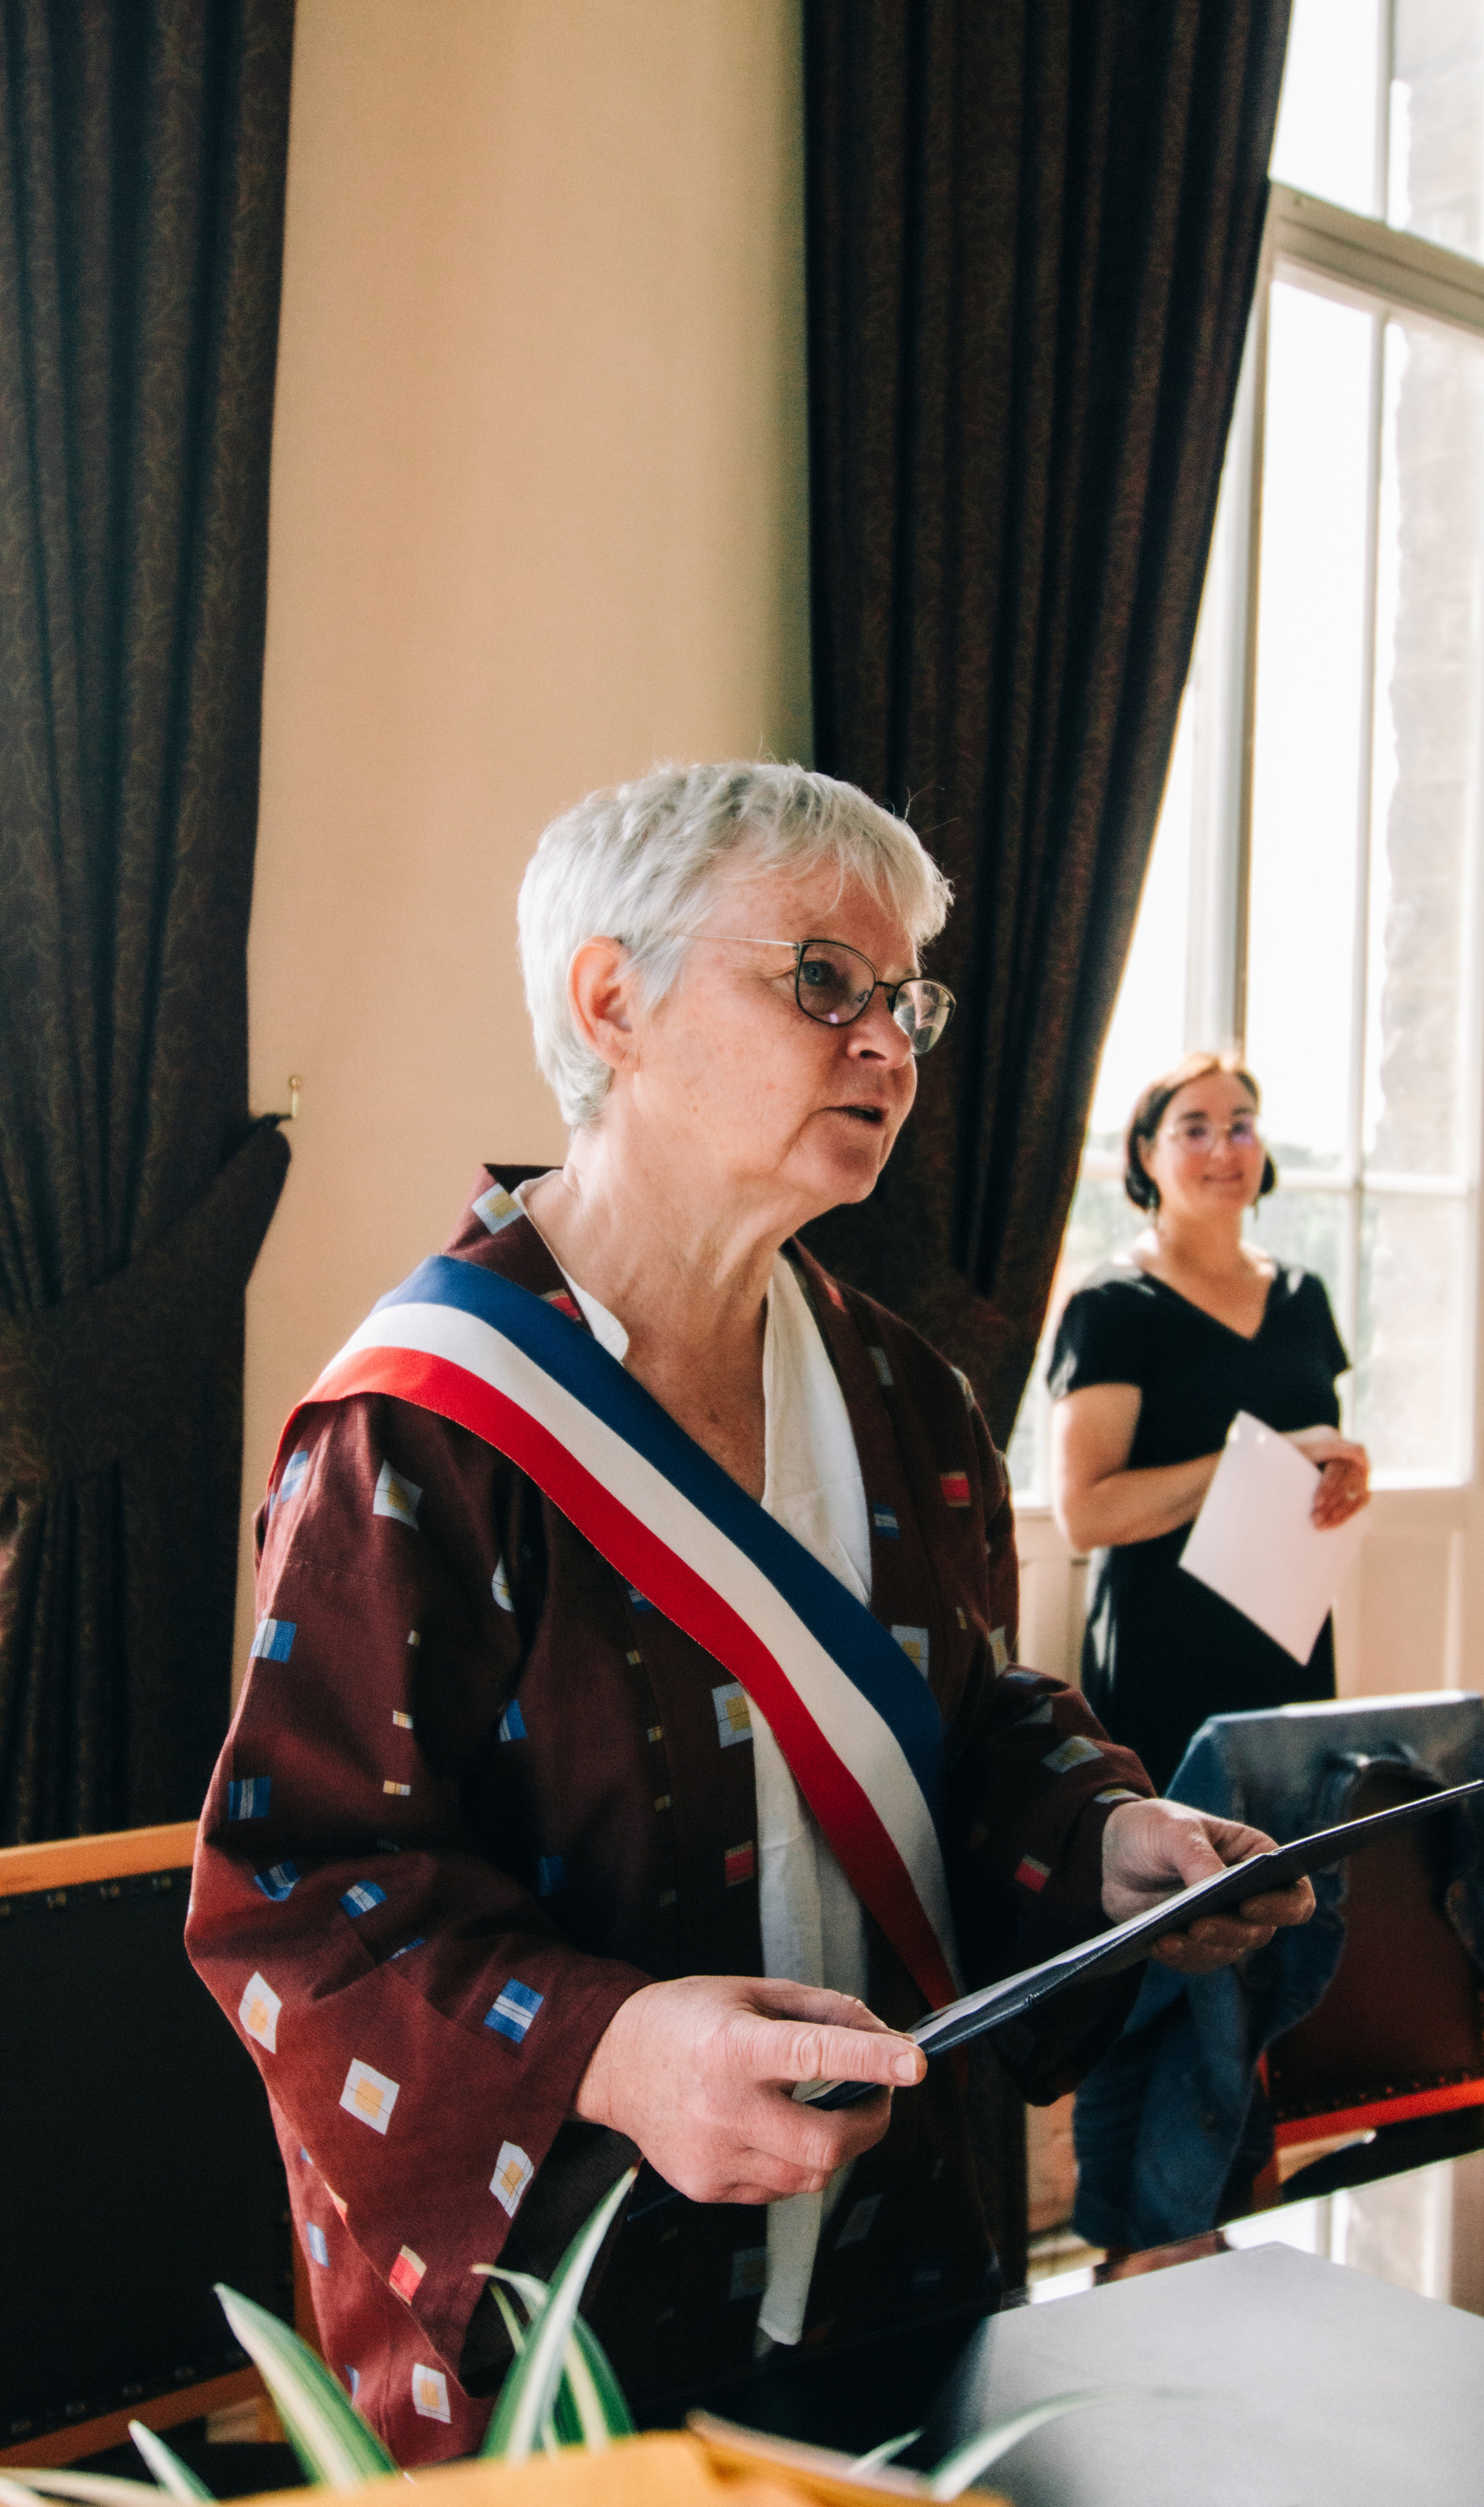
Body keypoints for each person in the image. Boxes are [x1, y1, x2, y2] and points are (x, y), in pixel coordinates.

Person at [186, 766, 1313, 2462]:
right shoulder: (415, 1429)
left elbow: (965, 1717)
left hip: (907, 2269)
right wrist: (614, 2049)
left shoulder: (904, 1394)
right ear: (611, 999)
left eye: (903, 1001)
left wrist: (1105, 1839)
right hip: (575, 2334)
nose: (890, 1046)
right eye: (822, 984)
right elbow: (301, 1895)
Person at [1048, 1051, 1370, 1796]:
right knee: (1175, 1891)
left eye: (1241, 1126)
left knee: (1289, 1884)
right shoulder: (1113, 1306)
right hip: (1162, 1650)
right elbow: (1085, 1514)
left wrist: (1340, 1478)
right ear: (1145, 1154)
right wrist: (1265, 1456)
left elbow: (1316, 1463)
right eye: (1194, 1129)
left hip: (1288, 1640)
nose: (1224, 1149)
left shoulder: (1303, 1298)